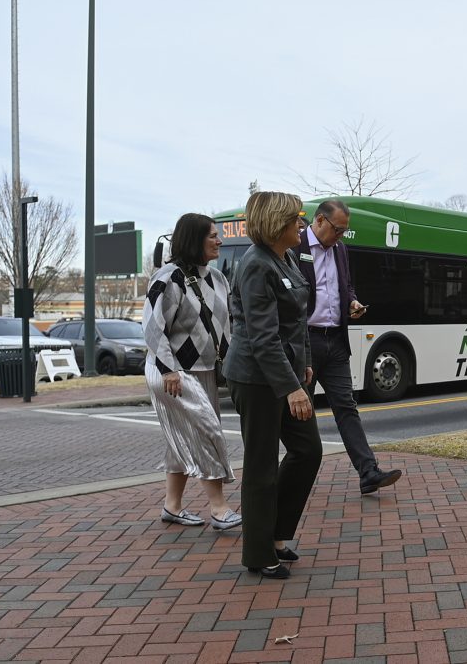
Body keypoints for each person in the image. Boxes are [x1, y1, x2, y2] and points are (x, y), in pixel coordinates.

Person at [223, 191, 323, 579]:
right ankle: (259, 553)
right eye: (296, 218)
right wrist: (292, 388)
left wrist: (307, 364)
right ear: (276, 223)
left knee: (308, 450)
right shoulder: (255, 265)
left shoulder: (287, 258)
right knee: (261, 465)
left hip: (285, 373)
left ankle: (278, 534)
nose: (302, 224)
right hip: (255, 378)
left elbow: (297, 321)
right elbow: (262, 337)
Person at [295, 200, 402, 495]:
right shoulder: (296, 245)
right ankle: (295, 473)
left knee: (346, 407)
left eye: (344, 230)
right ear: (319, 221)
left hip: (336, 340)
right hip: (307, 341)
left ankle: (368, 472)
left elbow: (346, 286)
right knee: (299, 412)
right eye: (338, 229)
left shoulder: (341, 249)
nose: (341, 236)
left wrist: (352, 302)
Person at [143, 213, 241, 531]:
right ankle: (220, 508)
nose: (219, 240)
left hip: (205, 371)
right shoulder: (167, 278)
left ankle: (172, 506)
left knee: (182, 439)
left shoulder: (218, 279)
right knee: (206, 433)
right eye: (212, 235)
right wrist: (169, 369)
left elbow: (225, 327)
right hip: (175, 373)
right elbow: (152, 327)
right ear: (193, 239)